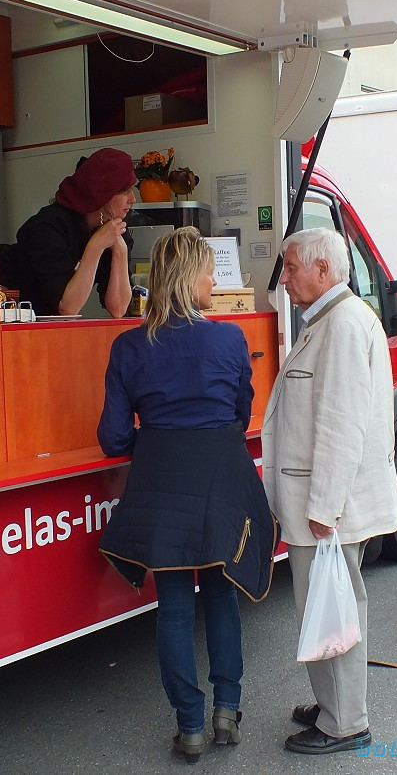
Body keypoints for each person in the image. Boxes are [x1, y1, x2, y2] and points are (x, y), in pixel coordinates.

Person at [96, 228, 276, 763]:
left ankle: (190, 725)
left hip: (161, 483)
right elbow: (240, 414)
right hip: (221, 478)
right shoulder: (228, 339)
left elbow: (112, 436)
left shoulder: (129, 346)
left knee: (174, 608)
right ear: (188, 278)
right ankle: (228, 709)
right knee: (221, 596)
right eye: (209, 271)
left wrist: (151, 438)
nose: (214, 281)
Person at [262, 227, 397, 755]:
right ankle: (334, 705)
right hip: (323, 504)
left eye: (291, 265)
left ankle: (345, 721)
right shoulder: (331, 318)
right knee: (329, 607)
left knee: (333, 610)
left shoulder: (341, 324)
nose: (285, 276)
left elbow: (340, 424)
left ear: (323, 270)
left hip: (325, 507)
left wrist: (324, 506)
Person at [13, 147, 135, 317]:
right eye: (125, 191)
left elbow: (119, 308)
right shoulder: (49, 227)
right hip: (12, 319)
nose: (133, 199)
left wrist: (119, 250)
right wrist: (95, 247)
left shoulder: (115, 228)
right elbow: (67, 308)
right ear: (102, 194)